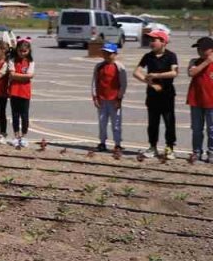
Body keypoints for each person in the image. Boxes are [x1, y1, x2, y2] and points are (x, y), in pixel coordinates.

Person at [135, 29, 179, 160]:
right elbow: (136, 72)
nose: (151, 42)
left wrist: (157, 75)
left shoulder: (171, 56)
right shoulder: (148, 56)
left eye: (154, 40)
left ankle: (169, 147)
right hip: (152, 95)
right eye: (150, 40)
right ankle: (152, 147)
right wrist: (150, 83)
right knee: (153, 122)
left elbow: (174, 73)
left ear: (163, 42)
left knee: (169, 121)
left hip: (167, 95)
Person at [91, 42, 126, 157]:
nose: (106, 55)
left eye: (109, 53)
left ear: (115, 54)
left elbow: (123, 84)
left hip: (114, 99)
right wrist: (95, 97)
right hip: (102, 99)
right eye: (104, 53)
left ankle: (117, 143)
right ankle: (102, 142)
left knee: (116, 123)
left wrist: (119, 98)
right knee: (102, 122)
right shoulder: (99, 66)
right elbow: (94, 83)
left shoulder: (119, 67)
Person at [186, 36, 213, 164]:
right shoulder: (194, 61)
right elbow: (192, 73)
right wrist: (206, 62)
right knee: (197, 128)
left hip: (211, 102)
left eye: (203, 49)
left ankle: (211, 152)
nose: (200, 51)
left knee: (212, 129)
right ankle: (197, 151)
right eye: (198, 49)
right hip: (196, 100)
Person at [7, 37, 35, 148]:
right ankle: (16, 135)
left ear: (29, 51)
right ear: (16, 49)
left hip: (25, 92)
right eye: (20, 51)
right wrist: (24, 76)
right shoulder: (12, 60)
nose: (22, 53)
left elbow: (30, 75)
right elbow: (12, 74)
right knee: (15, 115)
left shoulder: (30, 62)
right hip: (14, 91)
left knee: (24, 115)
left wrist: (17, 76)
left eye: (25, 51)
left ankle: (23, 136)